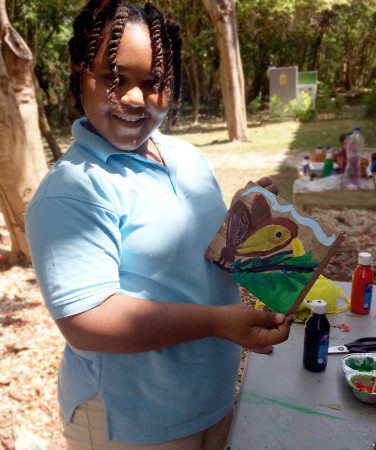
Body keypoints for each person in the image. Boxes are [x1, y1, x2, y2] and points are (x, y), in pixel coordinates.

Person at [25, 1, 295, 448]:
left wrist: (243, 225)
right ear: (80, 74)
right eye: (114, 78)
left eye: (153, 83)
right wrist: (215, 322)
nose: (134, 98)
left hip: (208, 394)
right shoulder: (72, 190)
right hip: (133, 419)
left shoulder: (186, 157)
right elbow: (86, 319)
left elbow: (188, 250)